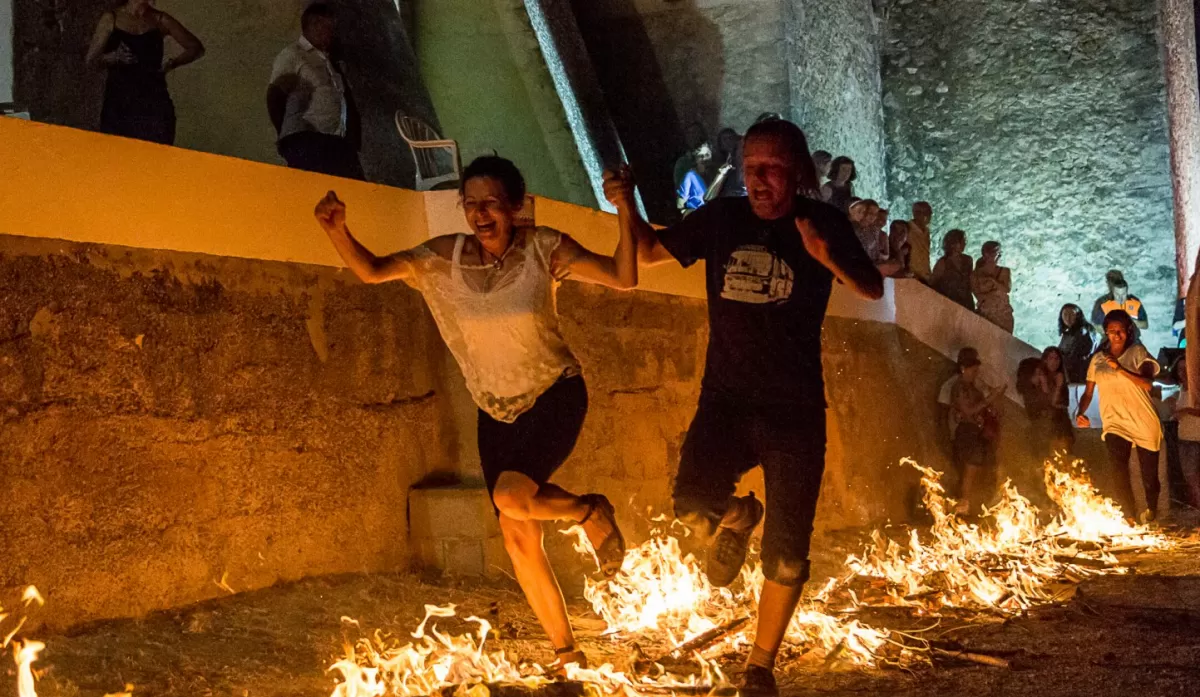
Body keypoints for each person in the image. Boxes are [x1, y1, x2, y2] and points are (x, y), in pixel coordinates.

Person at [314, 155, 637, 671]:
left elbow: (624, 276)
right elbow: (373, 271)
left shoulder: (543, 249)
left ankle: (587, 513)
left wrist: (623, 207)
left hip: (554, 393)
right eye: (470, 203)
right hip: (494, 409)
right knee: (516, 534)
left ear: (513, 206)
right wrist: (337, 230)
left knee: (512, 496)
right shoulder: (445, 257)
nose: (480, 214)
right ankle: (566, 653)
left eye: (491, 203)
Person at [626, 119, 883, 697]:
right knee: (691, 506)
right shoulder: (722, 219)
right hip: (725, 403)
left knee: (788, 559)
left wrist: (824, 254)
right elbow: (645, 251)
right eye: (750, 169)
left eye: (770, 169)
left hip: (794, 412)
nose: (759, 180)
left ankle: (759, 667)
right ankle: (741, 516)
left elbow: (871, 288)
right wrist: (624, 203)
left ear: (795, 173)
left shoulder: (822, 223)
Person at [1076, 310, 1163, 522]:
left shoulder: (1138, 352)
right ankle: (1129, 515)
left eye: (1121, 330)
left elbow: (1147, 383)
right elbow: (1088, 392)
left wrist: (1120, 369)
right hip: (1115, 421)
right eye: (1112, 330)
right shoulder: (1098, 359)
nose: (1116, 334)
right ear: (1105, 332)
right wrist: (1081, 412)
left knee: (1149, 475)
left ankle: (1151, 510)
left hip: (1142, 419)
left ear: (1128, 331)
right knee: (1118, 469)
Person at [85, 0, 204, 145]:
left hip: (154, 105)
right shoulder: (112, 18)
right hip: (120, 105)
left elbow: (195, 47)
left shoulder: (160, 20)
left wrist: (172, 63)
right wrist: (114, 57)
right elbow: (91, 60)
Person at [268, 3, 364, 180]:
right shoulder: (293, 54)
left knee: (352, 190)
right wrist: (288, 134)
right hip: (307, 139)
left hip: (336, 140)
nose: (331, 34)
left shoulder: (328, 60)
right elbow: (275, 95)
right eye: (328, 27)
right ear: (314, 24)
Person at [950, 347, 1006, 515]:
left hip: (979, 432)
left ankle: (978, 504)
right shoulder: (959, 387)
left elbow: (982, 409)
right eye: (973, 370)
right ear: (963, 368)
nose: (976, 373)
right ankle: (963, 504)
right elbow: (967, 411)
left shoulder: (973, 387)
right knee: (971, 467)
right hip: (967, 432)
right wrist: (991, 398)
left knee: (984, 466)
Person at [1171, 360, 1200, 510]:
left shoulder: (1197, 390)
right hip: (1184, 438)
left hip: (1197, 438)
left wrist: (1186, 411)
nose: (1182, 372)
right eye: (1180, 369)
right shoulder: (1180, 390)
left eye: (1186, 368)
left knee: (1194, 478)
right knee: (1190, 478)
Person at [972, 241, 1014, 332]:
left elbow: (1007, 289)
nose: (999, 255)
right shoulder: (975, 275)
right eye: (996, 252)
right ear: (986, 254)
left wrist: (993, 281)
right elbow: (978, 295)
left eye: (999, 253)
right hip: (986, 313)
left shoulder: (1005, 271)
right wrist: (995, 294)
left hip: (1004, 314)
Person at [930, 229, 974, 311]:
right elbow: (933, 282)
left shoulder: (968, 260)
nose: (964, 244)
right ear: (953, 244)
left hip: (966, 301)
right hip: (949, 302)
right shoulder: (943, 262)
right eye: (962, 241)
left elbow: (970, 280)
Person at [1058, 303, 1095, 384]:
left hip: (1079, 375)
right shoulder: (1068, 333)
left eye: (1072, 314)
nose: (1068, 318)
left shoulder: (1084, 332)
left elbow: (1077, 357)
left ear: (1078, 316)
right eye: (1065, 314)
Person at [677, 142, 714, 214]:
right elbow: (680, 205)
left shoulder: (714, 174)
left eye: (707, 155)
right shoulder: (690, 176)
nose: (704, 158)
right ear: (696, 159)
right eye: (700, 156)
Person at [711, 128, 746, 198]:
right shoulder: (725, 158)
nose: (728, 142)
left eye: (730, 138)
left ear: (735, 139)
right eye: (724, 139)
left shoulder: (741, 153)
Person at [908, 201, 933, 283]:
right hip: (912, 276)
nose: (930, 216)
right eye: (928, 213)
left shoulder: (926, 231)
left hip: (925, 276)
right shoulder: (906, 228)